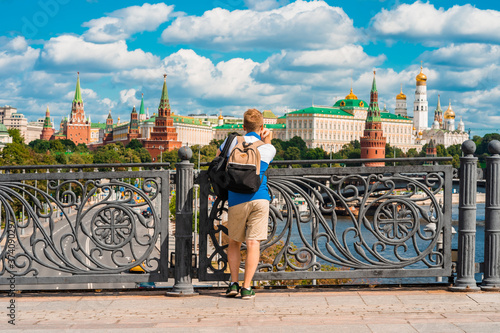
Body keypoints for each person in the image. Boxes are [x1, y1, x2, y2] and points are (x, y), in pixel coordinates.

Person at [217, 109, 276, 300]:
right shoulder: (268, 148)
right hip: (259, 198)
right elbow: (266, 158)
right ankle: (247, 287)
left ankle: (233, 284)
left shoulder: (231, 141)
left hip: (236, 198)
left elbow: (218, 156)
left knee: (234, 242)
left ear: (243, 127)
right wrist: (267, 141)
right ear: (262, 127)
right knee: (253, 243)